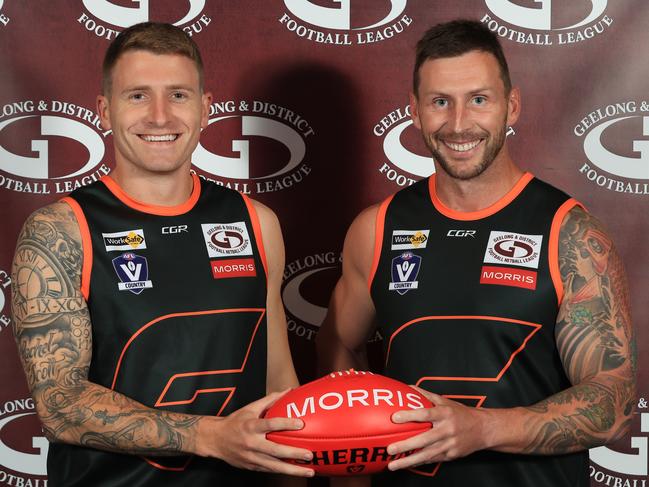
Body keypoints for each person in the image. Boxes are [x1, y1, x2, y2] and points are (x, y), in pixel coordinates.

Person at [316, 19, 636, 486]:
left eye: (479, 100)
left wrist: (482, 429)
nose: (459, 123)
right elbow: (338, 343)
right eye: (440, 102)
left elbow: (614, 402)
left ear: (512, 106)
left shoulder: (569, 233)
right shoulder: (378, 228)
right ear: (415, 111)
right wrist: (351, 469)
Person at [11, 22, 314, 486]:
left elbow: (279, 383)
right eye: (137, 96)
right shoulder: (63, 229)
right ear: (104, 111)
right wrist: (209, 437)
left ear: (205, 108)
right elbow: (60, 405)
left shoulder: (255, 221)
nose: (159, 117)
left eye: (178, 95)